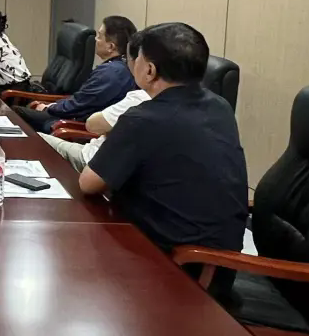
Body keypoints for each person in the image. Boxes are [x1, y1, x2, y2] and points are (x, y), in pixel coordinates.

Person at [78, 22, 248, 256]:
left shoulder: (142, 118)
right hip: (219, 259)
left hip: (173, 261)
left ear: (150, 70)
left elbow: (88, 183)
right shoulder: (220, 107)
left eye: (136, 57)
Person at [39, 35, 150, 171]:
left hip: (92, 161)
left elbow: (92, 124)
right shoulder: (171, 103)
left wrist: (50, 107)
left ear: (149, 68)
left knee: (33, 139)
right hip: (102, 158)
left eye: (127, 58)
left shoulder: (139, 97)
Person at [15, 15, 137, 132]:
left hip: (74, 125)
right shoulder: (120, 67)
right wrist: (52, 105)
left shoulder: (111, 73)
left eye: (99, 36)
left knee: (16, 113)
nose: (95, 40)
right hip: (76, 116)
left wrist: (48, 107)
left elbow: (79, 104)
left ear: (110, 47)